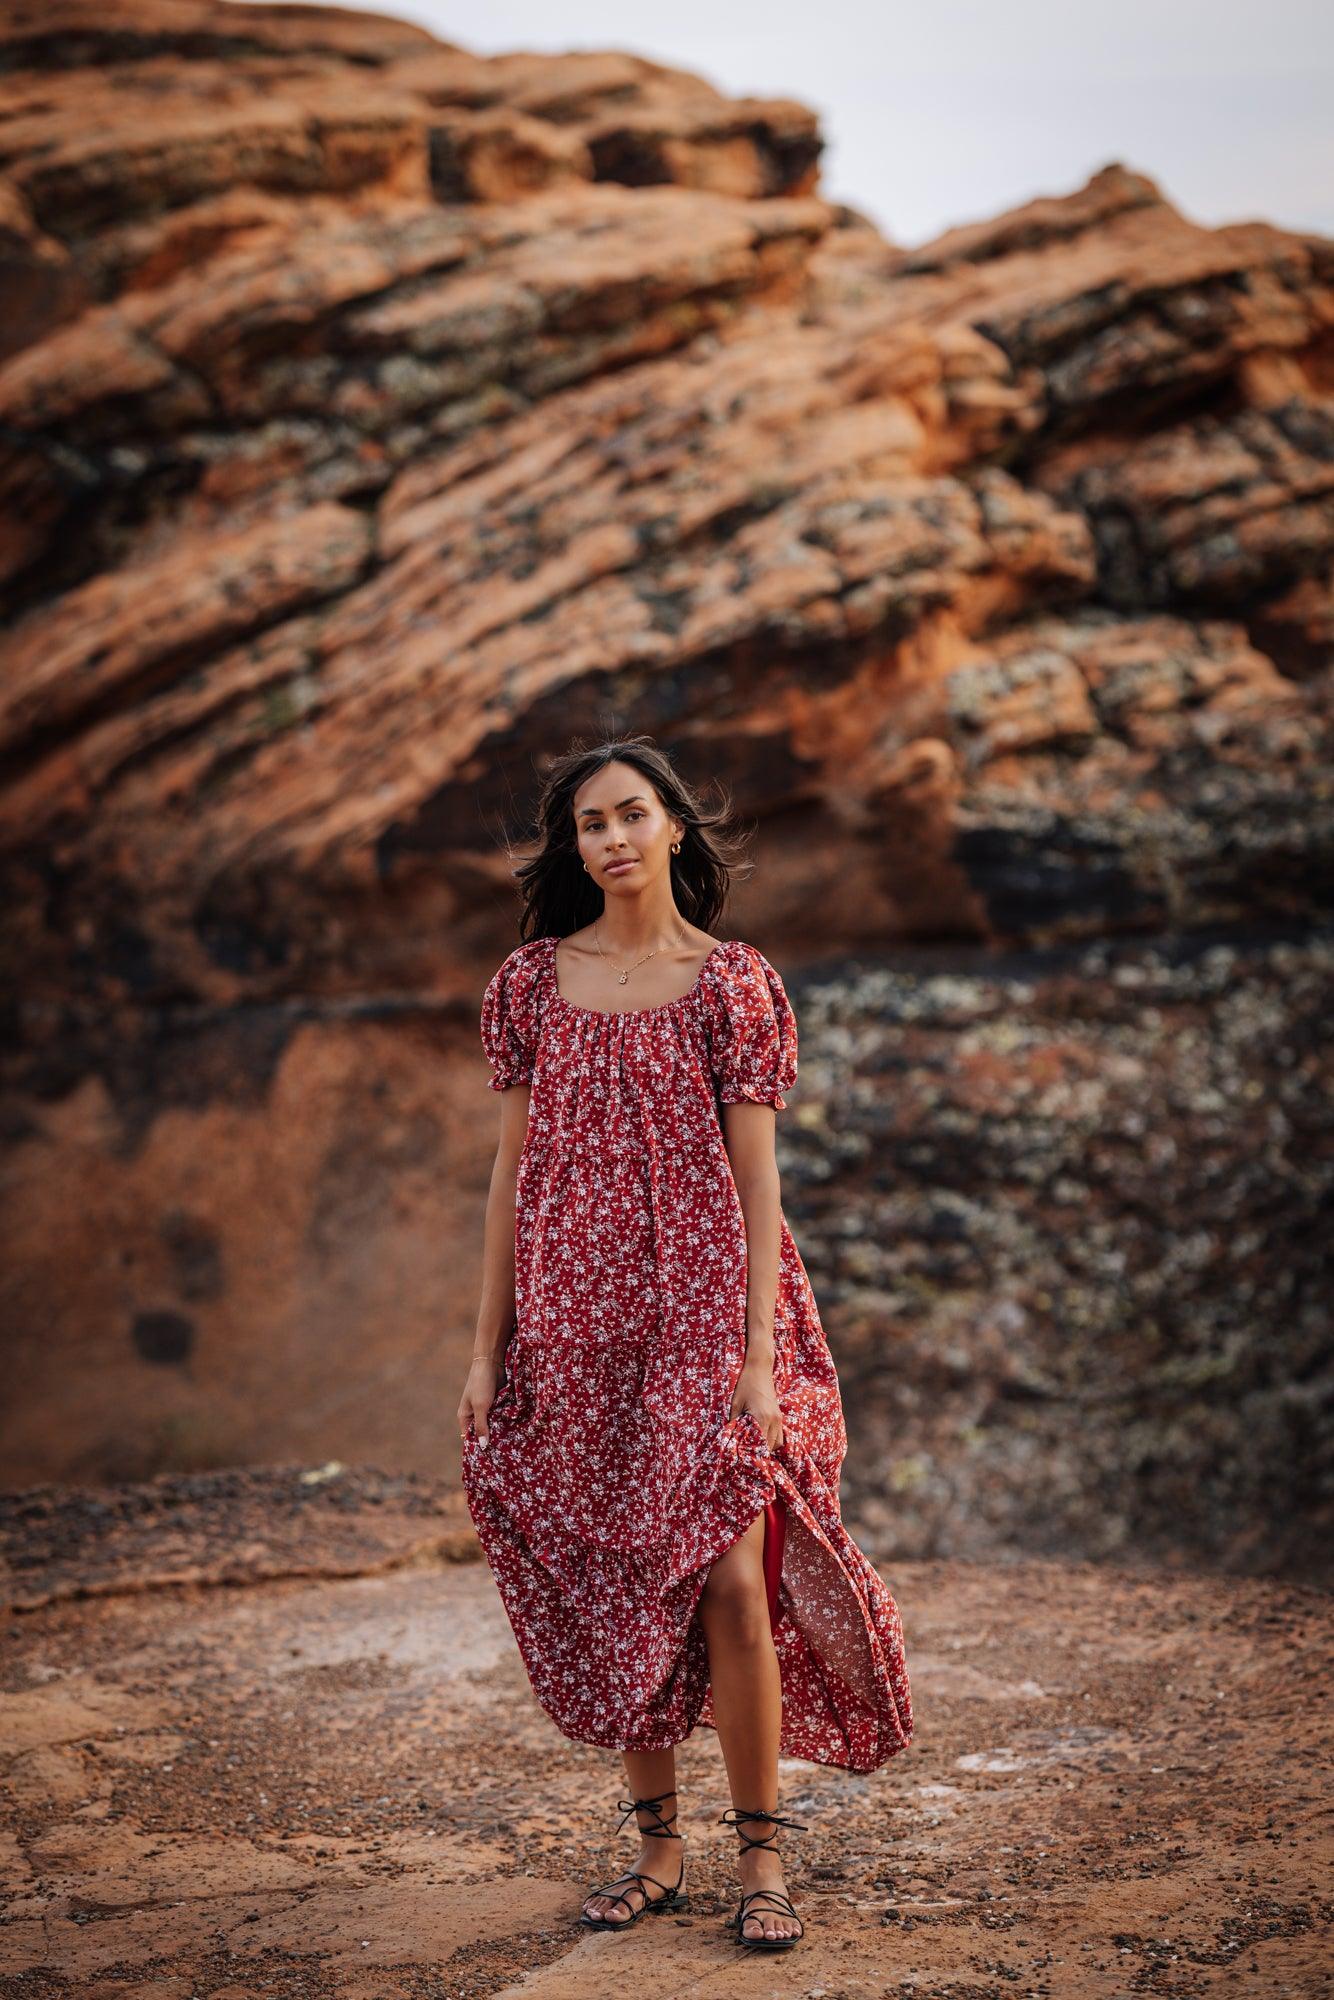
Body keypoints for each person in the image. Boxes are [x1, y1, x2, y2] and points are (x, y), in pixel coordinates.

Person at [458, 734, 913, 1953]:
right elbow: (510, 1177)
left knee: (727, 1579)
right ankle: (658, 1846)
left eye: (628, 814)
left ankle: (763, 1856)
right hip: (573, 1322)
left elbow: (757, 1184)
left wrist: (759, 1359)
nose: (608, 838)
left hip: (710, 1318)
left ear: (673, 827)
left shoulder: (732, 983)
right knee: (616, 1578)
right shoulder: (528, 985)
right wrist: (485, 1348)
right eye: (586, 824)